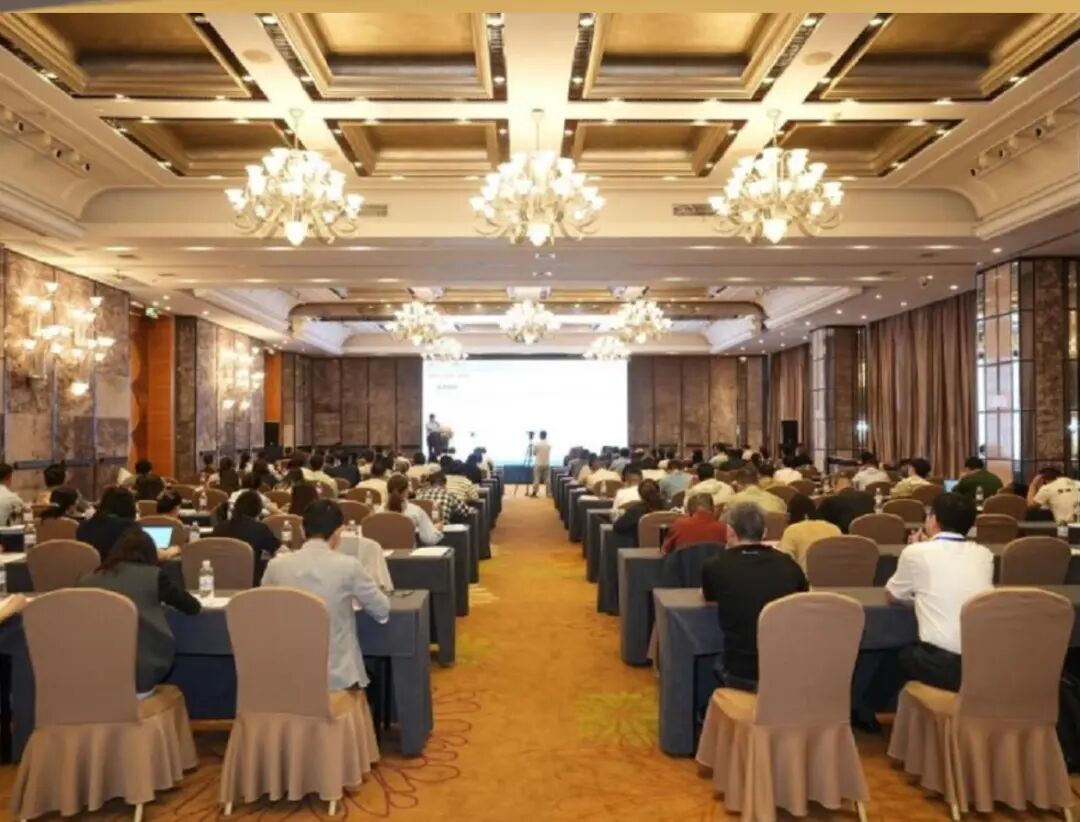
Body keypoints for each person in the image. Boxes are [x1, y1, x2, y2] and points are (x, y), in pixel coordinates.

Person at [261, 500, 390, 690]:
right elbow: (382, 610)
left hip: (288, 675)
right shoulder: (349, 566)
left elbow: (264, 612)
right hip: (337, 677)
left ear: (302, 530)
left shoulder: (276, 566)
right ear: (338, 532)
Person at [885, 492, 993, 692]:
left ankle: (870, 709)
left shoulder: (916, 553)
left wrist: (915, 550)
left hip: (942, 665)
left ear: (933, 520)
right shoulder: (984, 554)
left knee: (891, 655)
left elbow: (892, 595)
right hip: (983, 662)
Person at [78, 527, 201, 694]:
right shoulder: (154, 576)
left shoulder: (86, 581)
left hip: (94, 669)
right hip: (141, 670)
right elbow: (192, 607)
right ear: (151, 554)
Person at [702, 502, 809, 691]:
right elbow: (803, 595)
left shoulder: (715, 566)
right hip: (787, 666)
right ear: (764, 532)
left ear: (730, 531)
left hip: (740, 671)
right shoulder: (788, 564)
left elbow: (709, 596)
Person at [213, 489, 281, 584]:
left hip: (220, 581)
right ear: (258, 511)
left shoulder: (219, 528)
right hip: (251, 583)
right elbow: (280, 551)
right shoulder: (260, 529)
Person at [778, 493, 841, 569]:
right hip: (834, 573)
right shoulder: (834, 528)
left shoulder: (792, 531)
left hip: (805, 575)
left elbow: (785, 561)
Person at [77, 486, 139, 561]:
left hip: (90, 567)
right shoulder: (132, 530)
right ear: (130, 507)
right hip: (120, 567)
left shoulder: (83, 527)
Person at [661, 492, 728, 555]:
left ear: (688, 510)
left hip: (685, 563)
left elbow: (665, 551)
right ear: (713, 509)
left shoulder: (679, 525)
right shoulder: (725, 528)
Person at [385, 474, 441, 545]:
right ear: (406, 491)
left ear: (387, 491)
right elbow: (430, 539)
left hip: (381, 551)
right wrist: (436, 529)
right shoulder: (416, 511)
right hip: (408, 551)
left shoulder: (378, 512)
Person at [529, 431, 552, 498]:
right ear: (546, 435)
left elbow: (534, 453)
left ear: (540, 436)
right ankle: (549, 493)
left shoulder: (537, 444)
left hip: (538, 463)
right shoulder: (549, 444)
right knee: (548, 480)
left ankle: (534, 492)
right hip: (547, 463)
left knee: (536, 479)